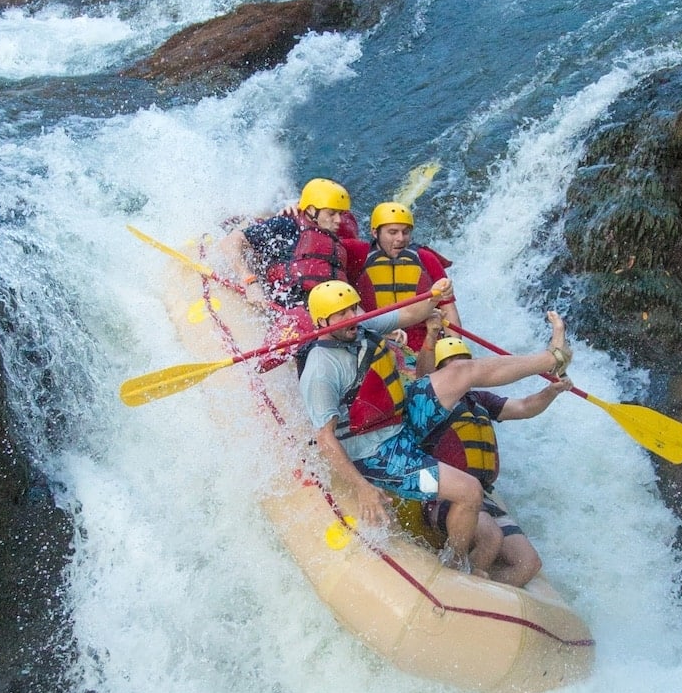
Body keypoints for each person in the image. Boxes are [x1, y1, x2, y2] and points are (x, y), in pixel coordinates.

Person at [299, 279, 573, 577]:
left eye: (353, 308)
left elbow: (409, 314)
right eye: (341, 314)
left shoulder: (363, 325)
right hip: (375, 452)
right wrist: (362, 487)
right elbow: (325, 438)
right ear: (323, 321)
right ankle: (455, 561)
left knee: (461, 371)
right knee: (470, 491)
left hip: (401, 416)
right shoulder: (321, 369)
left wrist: (435, 296)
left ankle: (552, 357)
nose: (351, 316)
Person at [416, 330, 570, 587]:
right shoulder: (431, 403)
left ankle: (480, 590)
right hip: (445, 492)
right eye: (453, 365)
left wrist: (551, 392)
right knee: (491, 538)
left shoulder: (480, 400)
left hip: (482, 495)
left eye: (466, 362)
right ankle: (458, 584)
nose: (463, 369)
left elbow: (524, 407)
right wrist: (430, 337)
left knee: (528, 564)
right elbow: (423, 377)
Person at [217, 177, 369, 311]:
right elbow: (229, 243)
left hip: (328, 312)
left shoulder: (334, 243)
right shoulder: (287, 225)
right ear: (311, 210)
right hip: (292, 309)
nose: (338, 220)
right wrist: (250, 282)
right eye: (331, 213)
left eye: (340, 214)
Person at [355, 201, 458, 355]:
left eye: (405, 232)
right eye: (393, 232)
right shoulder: (358, 258)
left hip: (423, 347)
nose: (400, 238)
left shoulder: (426, 258)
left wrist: (455, 350)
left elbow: (449, 311)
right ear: (375, 233)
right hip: (378, 345)